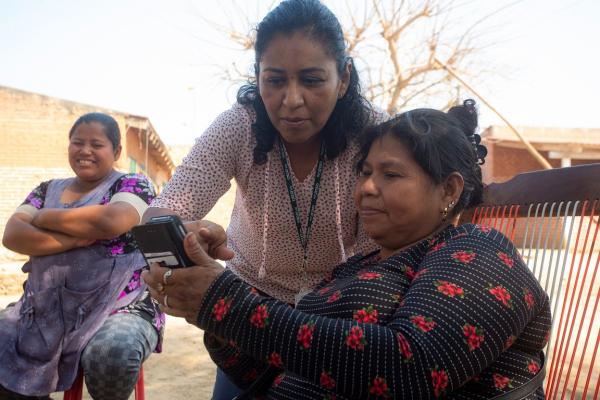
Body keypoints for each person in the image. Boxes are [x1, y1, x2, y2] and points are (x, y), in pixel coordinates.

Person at [144, 100, 552, 399]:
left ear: (448, 189)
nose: (367, 187)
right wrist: (205, 305)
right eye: (365, 172)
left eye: (390, 174)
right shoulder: (358, 267)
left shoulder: (478, 252)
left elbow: (409, 369)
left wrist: (227, 304)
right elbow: (269, 368)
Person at [143, 0, 386, 396]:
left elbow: (392, 242)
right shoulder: (239, 126)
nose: (291, 100)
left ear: (343, 78)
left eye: (311, 80)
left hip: (341, 321)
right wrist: (183, 238)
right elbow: (163, 212)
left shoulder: (374, 132)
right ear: (257, 76)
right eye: (274, 80)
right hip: (247, 317)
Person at [0, 113, 163, 400]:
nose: (85, 150)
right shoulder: (47, 189)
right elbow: (13, 235)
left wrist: (44, 216)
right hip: (44, 306)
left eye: (96, 144)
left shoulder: (133, 184)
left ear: (116, 151)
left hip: (121, 306)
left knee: (111, 353)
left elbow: (112, 221)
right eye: (77, 142)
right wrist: (75, 239)